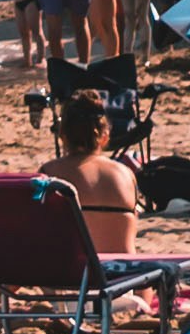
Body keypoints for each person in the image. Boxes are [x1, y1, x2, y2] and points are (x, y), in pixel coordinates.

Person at [49, 83, 142, 256]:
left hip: (72, 274)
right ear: (105, 136)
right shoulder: (125, 174)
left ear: (62, 135)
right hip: (122, 275)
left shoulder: (50, 172)